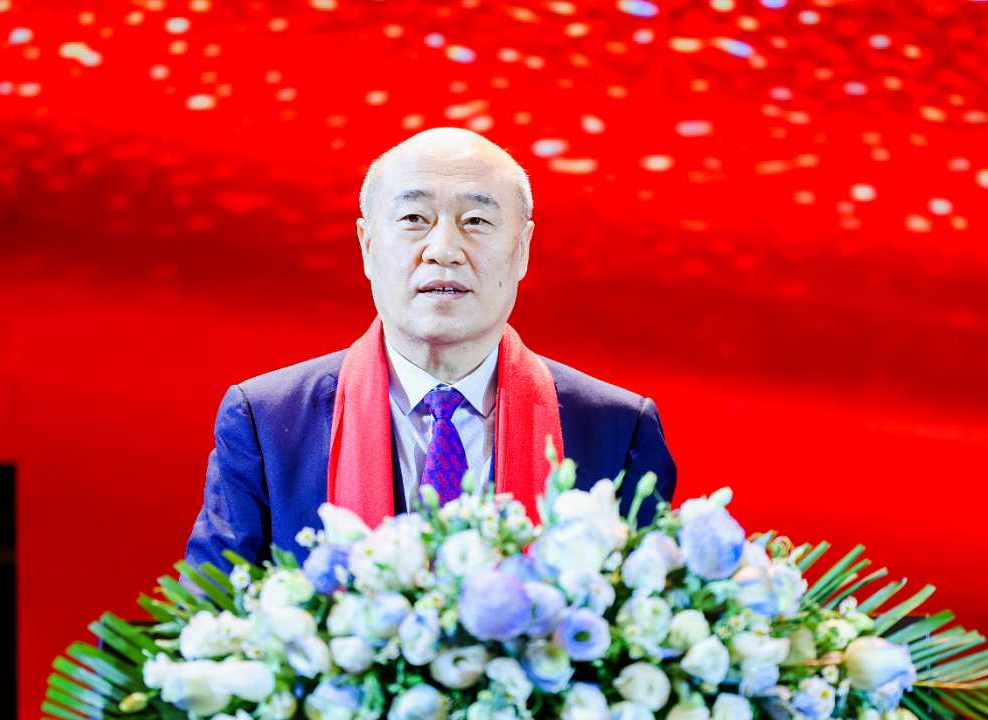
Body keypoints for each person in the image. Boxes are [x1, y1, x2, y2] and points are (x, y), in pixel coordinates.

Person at [183, 128, 675, 571]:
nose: (443, 250)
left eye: (476, 220)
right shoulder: (267, 421)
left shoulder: (617, 430)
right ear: (367, 245)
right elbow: (209, 619)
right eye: (414, 218)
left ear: (522, 249)